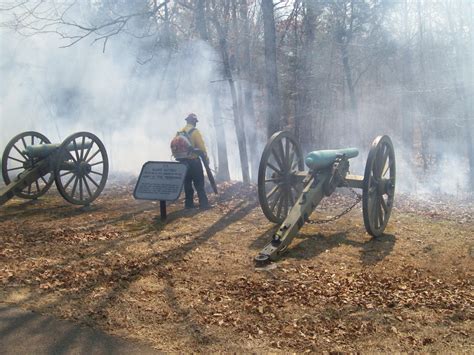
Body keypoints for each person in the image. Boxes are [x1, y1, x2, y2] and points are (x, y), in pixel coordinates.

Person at [177, 113, 211, 209]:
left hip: (183, 163)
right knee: (199, 184)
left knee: (187, 184)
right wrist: (206, 159)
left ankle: (189, 205)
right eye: (195, 121)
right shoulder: (195, 132)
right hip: (194, 162)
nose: (196, 123)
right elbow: (202, 148)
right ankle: (204, 204)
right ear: (193, 121)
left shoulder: (180, 132)